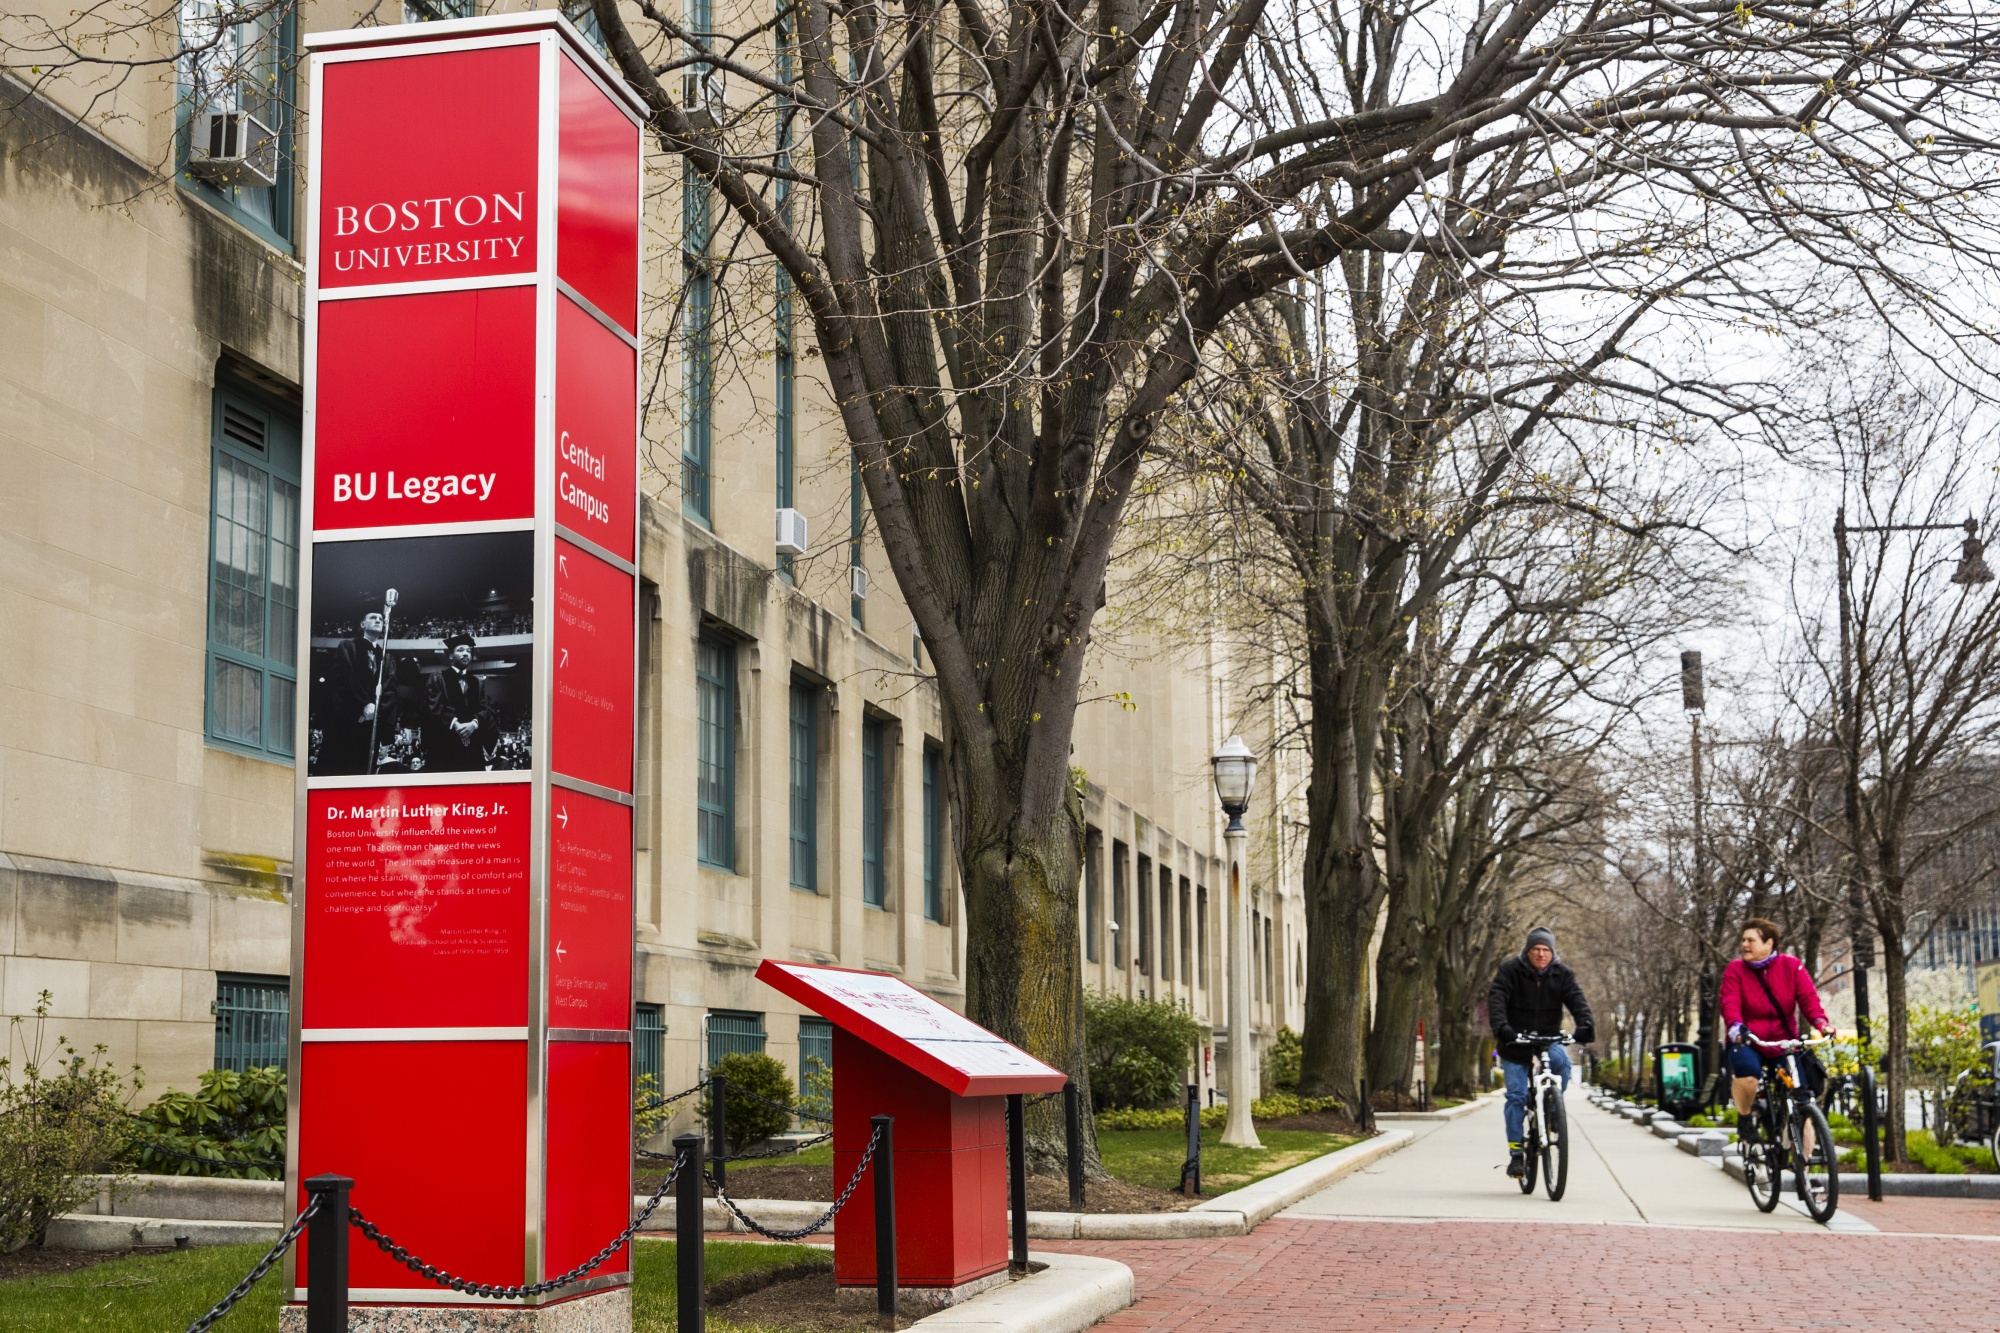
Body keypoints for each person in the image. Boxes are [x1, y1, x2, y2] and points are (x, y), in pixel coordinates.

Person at [1489, 926, 1595, 1178]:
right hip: (1515, 1040)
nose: (1540, 954)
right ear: (1527, 950)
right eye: (1536, 948)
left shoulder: (1562, 974)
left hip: (1548, 1038)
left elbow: (1577, 1000)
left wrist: (1585, 1026)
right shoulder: (1509, 971)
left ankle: (1553, 1110)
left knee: (1562, 1064)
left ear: (1552, 952)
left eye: (1545, 949)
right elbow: (1497, 999)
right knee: (1515, 1096)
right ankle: (1516, 1154)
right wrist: (1502, 1028)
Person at [1718, 918, 1833, 1142]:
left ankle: (1804, 1171)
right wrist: (1735, 1027)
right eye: (1743, 940)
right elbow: (1729, 1002)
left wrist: (1822, 1023)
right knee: (1748, 1074)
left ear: (1769, 943)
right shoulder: (1736, 970)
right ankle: (1744, 1119)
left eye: (1751, 940)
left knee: (1802, 1100)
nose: (1744, 945)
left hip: (1783, 1042)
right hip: (1748, 1038)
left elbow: (1809, 999)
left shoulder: (1791, 966)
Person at [319, 609, 405, 775]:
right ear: (362, 624)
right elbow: (344, 677)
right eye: (373, 618)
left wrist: (376, 709)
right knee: (340, 767)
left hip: (372, 724)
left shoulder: (386, 657)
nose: (378, 620)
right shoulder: (348, 646)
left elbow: (390, 688)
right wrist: (363, 704)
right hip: (348, 720)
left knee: (362, 770)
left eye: (381, 618)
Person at [423, 631, 498, 771]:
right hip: (444, 745)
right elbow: (433, 706)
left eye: (469, 651)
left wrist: (474, 724)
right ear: (451, 656)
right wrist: (455, 724)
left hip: (472, 748)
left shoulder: (477, 682)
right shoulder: (438, 678)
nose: (466, 654)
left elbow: (485, 709)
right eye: (460, 650)